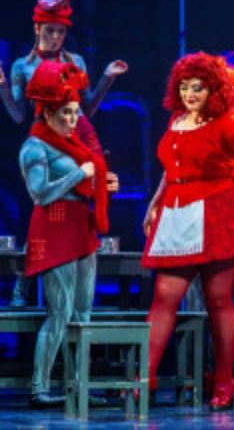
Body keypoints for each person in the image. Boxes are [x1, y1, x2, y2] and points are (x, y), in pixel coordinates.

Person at [141, 52, 234, 411]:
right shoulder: (176, 120)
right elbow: (171, 169)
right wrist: (154, 203)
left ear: (213, 91)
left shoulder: (227, 122)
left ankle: (223, 381)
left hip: (217, 212)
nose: (189, 94)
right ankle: (146, 379)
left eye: (197, 88)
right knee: (164, 298)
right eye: (184, 87)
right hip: (177, 212)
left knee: (218, 301)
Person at [0, 0, 125, 306]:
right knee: (42, 211)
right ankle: (23, 284)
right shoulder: (22, 65)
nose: (56, 37)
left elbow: (88, 108)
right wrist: (2, 87)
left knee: (78, 210)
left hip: (78, 135)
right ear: (37, 28)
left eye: (61, 31)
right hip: (45, 139)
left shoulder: (77, 61)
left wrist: (107, 78)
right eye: (50, 31)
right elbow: (18, 115)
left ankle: (79, 293)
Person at [19, 60, 112, 408]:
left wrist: (100, 183)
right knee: (58, 312)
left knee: (83, 313)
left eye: (75, 112)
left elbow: (85, 180)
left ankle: (79, 385)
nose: (73, 120)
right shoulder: (35, 146)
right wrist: (79, 176)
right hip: (54, 227)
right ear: (47, 114)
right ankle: (39, 388)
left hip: (80, 226)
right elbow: (39, 194)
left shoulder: (73, 145)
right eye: (65, 113)